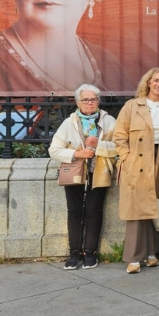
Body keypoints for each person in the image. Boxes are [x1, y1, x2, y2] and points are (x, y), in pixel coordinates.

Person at [113, 68, 159, 274]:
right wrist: (127, 158)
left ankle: (151, 253)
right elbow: (119, 135)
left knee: (154, 206)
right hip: (137, 161)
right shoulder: (132, 106)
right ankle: (133, 257)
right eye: (156, 80)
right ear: (148, 82)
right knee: (135, 210)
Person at [49, 84, 117, 270]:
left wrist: (99, 145)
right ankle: (74, 254)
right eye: (85, 99)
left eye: (93, 99)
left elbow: (119, 146)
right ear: (78, 102)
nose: (89, 103)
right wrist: (78, 155)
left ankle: (90, 253)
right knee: (75, 211)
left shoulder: (109, 121)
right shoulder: (69, 122)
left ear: (98, 101)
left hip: (100, 170)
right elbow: (54, 150)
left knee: (94, 211)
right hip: (74, 171)